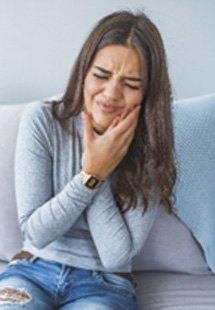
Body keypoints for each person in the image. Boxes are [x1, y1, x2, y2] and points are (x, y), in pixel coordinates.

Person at [0, 10, 176, 310]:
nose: (111, 93)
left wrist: (101, 168)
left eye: (131, 84)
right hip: (32, 271)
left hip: (105, 284)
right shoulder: (43, 120)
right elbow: (37, 232)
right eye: (101, 75)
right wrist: (92, 171)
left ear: (146, 94)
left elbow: (116, 256)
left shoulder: (150, 145)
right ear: (83, 71)